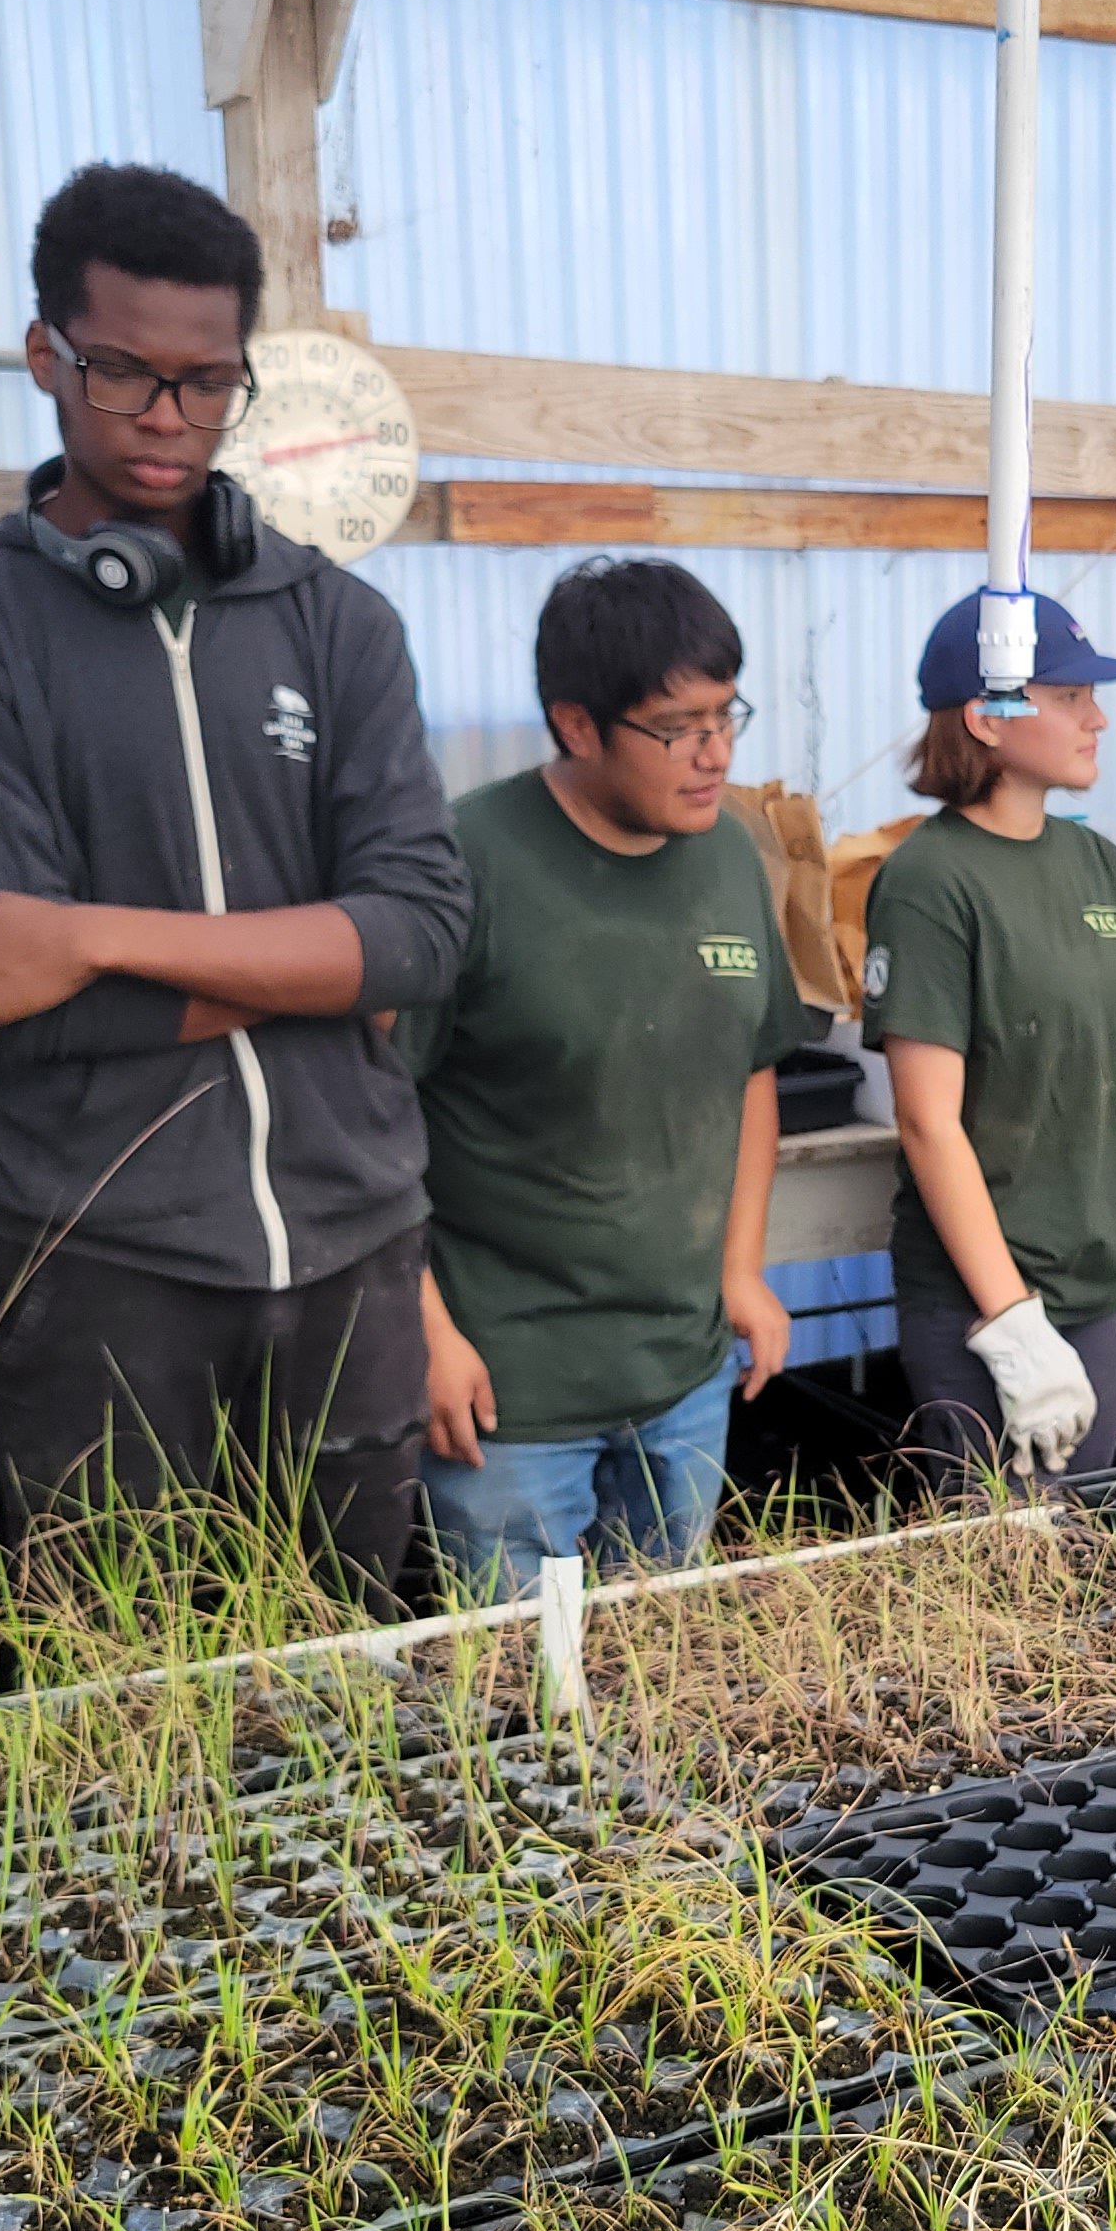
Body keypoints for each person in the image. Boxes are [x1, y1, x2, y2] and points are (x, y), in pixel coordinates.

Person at [0, 164, 468, 1601]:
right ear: (46, 357)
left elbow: (420, 937)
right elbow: (36, 1014)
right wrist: (302, 977)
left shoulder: (341, 627)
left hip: (355, 1245)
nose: (166, 419)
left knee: (350, 1679)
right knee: (130, 1721)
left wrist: (87, 935)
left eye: (207, 385)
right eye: (125, 375)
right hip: (99, 1269)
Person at [397, 560, 822, 1586]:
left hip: (682, 1376)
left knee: (662, 1671)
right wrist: (423, 1334)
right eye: (678, 727)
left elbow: (751, 1073)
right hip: (509, 1392)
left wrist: (738, 1270)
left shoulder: (727, 855)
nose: (715, 753)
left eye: (727, 715)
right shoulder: (464, 867)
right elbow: (365, 1121)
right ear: (577, 725)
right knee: (513, 1708)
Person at [865, 590, 1116, 1480]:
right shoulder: (929, 881)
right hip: (991, 1303)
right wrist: (1012, 1320)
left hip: (1109, 1284)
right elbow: (928, 1123)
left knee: (1082, 1549)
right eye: (1067, 697)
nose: (1097, 717)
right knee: (993, 1577)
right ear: (986, 716)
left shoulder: (1095, 863)